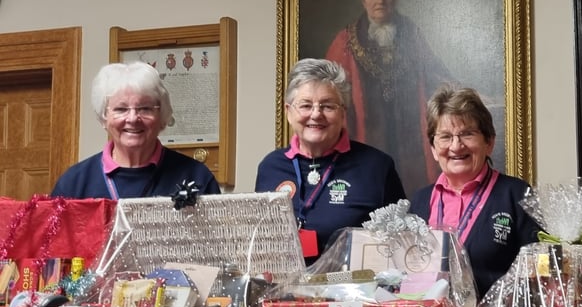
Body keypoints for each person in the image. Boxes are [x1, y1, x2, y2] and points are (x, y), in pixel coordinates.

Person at [255, 58, 406, 261]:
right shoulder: (270, 167)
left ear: (343, 113)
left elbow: (400, 247)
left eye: (327, 106)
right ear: (288, 112)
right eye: (306, 105)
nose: (316, 114)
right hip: (283, 291)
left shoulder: (377, 167)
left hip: (351, 289)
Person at [325, 0, 453, 197]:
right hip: (366, 128)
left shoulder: (411, 33)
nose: (380, 1)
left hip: (409, 126)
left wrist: (456, 89)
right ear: (363, 0)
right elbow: (330, 90)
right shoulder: (346, 40)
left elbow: (433, 70)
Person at [409, 84, 541, 298]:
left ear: (489, 142)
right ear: (433, 149)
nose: (456, 146)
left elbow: (539, 275)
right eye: (445, 136)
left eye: (467, 134)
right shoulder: (420, 201)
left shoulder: (517, 195)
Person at [51, 62, 221, 199]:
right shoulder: (74, 183)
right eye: (120, 109)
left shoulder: (196, 177)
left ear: (162, 116)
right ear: (104, 117)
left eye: (145, 108)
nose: (132, 118)